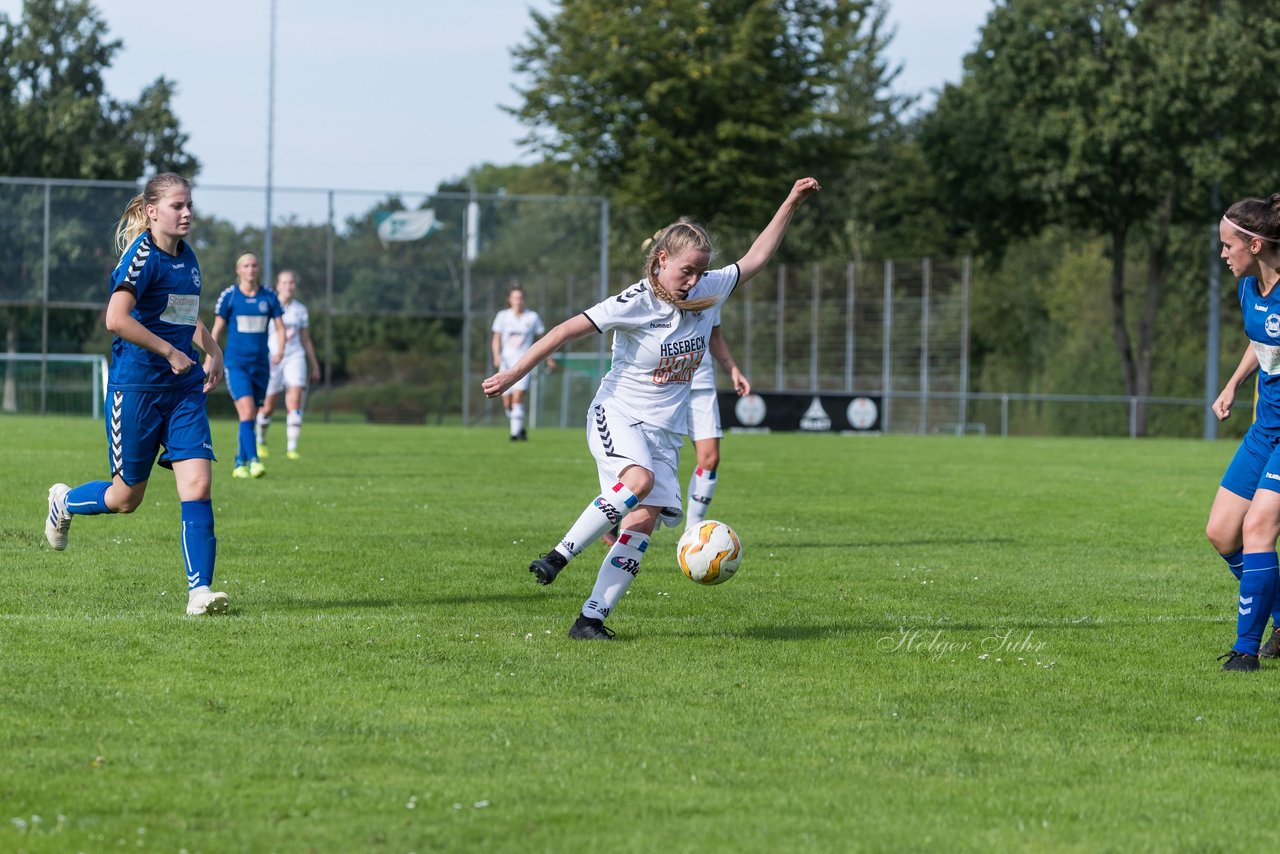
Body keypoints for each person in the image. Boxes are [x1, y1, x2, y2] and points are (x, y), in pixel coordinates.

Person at [482, 176, 820, 640]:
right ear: (661, 261)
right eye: (686, 271)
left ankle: (590, 619)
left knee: (641, 524)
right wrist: (513, 374)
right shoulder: (636, 301)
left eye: (702, 271)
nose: (695, 280)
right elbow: (563, 331)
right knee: (637, 483)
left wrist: (791, 202)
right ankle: (558, 555)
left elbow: (756, 258)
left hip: (665, 433)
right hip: (617, 413)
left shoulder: (709, 290)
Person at [43, 172, 231, 616]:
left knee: (198, 484)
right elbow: (116, 318)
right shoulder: (140, 257)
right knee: (126, 498)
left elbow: (184, 313)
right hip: (137, 387)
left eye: (189, 206)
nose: (187, 214)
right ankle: (63, 501)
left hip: (182, 389)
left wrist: (214, 350)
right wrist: (169, 351)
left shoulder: (187, 257)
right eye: (177, 206)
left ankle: (199, 592)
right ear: (152, 212)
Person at [1206, 194, 1280, 671]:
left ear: (1254, 244)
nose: (1223, 254)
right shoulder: (1248, 290)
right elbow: (1261, 341)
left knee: (1258, 528)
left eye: (1228, 245)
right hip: (1264, 429)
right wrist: (1233, 383)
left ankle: (1245, 652)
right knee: (1221, 533)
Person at [210, 253, 285, 478]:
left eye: (254, 265)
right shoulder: (230, 297)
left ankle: (239, 463)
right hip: (236, 364)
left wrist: (280, 349)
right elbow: (217, 329)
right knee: (247, 412)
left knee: (251, 415)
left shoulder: (269, 297)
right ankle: (254, 461)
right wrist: (211, 356)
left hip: (261, 366)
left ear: (258, 269)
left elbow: (281, 328)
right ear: (238, 270)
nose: (251, 269)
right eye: (246, 266)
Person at [684, 318, 751, 529]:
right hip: (660, 384)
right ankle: (614, 521)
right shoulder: (657, 289)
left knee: (710, 458)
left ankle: (692, 533)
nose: (692, 282)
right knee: (644, 462)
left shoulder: (712, 289)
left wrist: (732, 368)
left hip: (701, 382)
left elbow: (714, 335)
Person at [255, 269, 321, 460]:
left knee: (294, 401)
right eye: (285, 282)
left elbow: (306, 339)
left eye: (291, 282)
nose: (288, 286)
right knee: (267, 407)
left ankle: (292, 448)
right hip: (272, 359)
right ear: (278, 285)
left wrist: (314, 364)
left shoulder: (300, 310)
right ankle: (260, 440)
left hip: (295, 357)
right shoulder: (267, 305)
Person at [491, 284, 554, 441]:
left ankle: (514, 435)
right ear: (509, 300)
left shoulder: (532, 317)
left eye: (520, 298)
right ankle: (520, 428)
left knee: (518, 397)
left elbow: (543, 339)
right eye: (515, 298)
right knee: (508, 403)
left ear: (523, 300)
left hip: (524, 363)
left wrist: (549, 358)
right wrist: (496, 356)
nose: (518, 301)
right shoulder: (502, 316)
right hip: (505, 363)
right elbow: (496, 338)